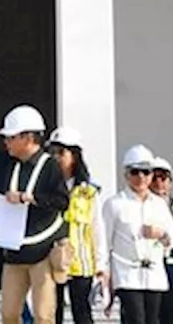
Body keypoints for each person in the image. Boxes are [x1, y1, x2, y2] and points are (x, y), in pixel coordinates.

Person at [0, 106, 70, 324]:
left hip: (44, 252)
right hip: (15, 252)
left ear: (28, 137)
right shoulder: (12, 167)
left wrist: (29, 197)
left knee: (43, 315)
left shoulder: (51, 167)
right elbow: (8, 201)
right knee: (8, 313)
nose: (6, 142)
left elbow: (62, 201)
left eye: (11, 137)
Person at [100, 145, 173, 324]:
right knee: (135, 319)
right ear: (126, 174)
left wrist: (161, 234)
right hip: (126, 274)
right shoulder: (114, 204)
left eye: (146, 171)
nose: (141, 177)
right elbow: (104, 241)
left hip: (154, 274)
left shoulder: (159, 204)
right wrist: (105, 273)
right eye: (135, 172)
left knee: (152, 319)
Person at [46, 126, 106, 324]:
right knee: (52, 313)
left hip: (81, 263)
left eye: (61, 152)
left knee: (82, 313)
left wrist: (101, 264)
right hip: (51, 259)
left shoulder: (88, 192)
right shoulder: (45, 188)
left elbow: (97, 229)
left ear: (75, 155)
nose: (56, 157)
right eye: (52, 152)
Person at [148, 157, 173, 324]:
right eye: (154, 177)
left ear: (170, 182)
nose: (158, 182)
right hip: (150, 272)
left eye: (163, 178)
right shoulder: (140, 206)